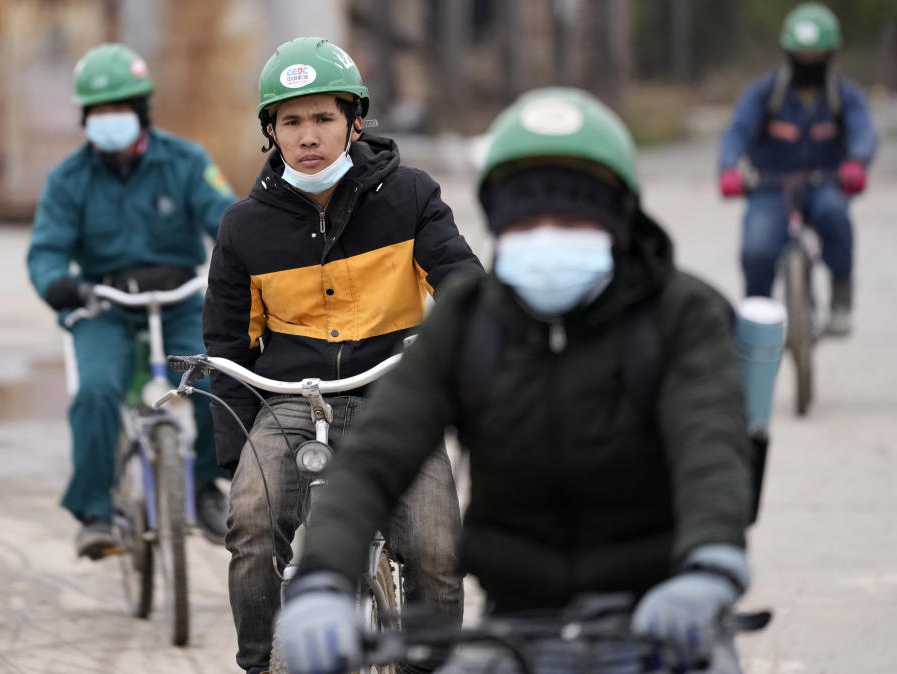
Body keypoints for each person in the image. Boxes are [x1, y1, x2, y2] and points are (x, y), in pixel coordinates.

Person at [277, 87, 755, 674]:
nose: (548, 231)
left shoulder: (679, 314)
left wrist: (709, 571)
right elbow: (376, 456)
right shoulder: (470, 320)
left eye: (573, 213)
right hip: (518, 627)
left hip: (661, 618)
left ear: (620, 217)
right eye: (527, 215)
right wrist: (322, 579)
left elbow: (710, 448)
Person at [202, 37, 481, 673]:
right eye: (291, 121)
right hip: (291, 403)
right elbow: (226, 344)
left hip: (396, 398)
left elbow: (460, 276)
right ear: (270, 132)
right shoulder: (243, 226)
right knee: (248, 523)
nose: (309, 135)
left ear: (355, 121)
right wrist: (237, 448)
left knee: (438, 548)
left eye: (324, 117)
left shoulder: (410, 195)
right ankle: (260, 664)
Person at [27, 43, 236, 558]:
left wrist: (250, 263)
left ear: (141, 110)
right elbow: (46, 249)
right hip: (105, 303)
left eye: (120, 108)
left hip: (180, 297)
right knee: (96, 392)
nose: (110, 120)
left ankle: (206, 483)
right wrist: (58, 283)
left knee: (220, 374)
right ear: (85, 119)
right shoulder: (68, 179)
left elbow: (229, 223)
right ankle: (97, 511)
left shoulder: (185, 161)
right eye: (99, 111)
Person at [718, 2, 877, 336]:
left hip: (825, 183)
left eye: (815, 56)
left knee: (835, 214)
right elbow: (737, 131)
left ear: (830, 55)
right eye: (801, 55)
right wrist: (728, 168)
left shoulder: (844, 96)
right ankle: (756, 320)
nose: (808, 62)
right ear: (787, 53)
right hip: (770, 187)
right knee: (757, 248)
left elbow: (863, 131)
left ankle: (840, 299)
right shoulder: (764, 94)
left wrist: (857, 163)